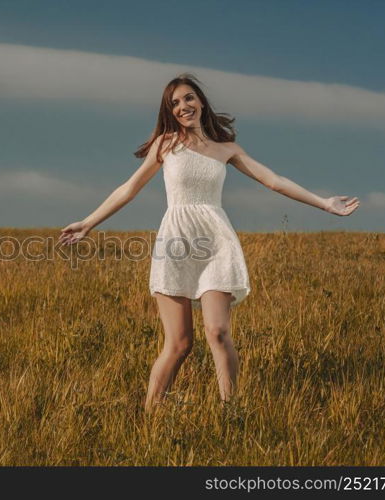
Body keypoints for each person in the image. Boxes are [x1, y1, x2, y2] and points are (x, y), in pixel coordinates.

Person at [59, 73, 360, 413]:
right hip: (177, 242)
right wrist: (88, 222)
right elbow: (128, 188)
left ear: (201, 101)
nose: (182, 106)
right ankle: (150, 417)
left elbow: (274, 181)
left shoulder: (227, 149)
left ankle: (230, 413)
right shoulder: (166, 145)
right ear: (170, 112)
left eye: (188, 98)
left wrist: (324, 203)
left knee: (217, 332)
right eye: (174, 103)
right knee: (179, 344)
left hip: (216, 242)